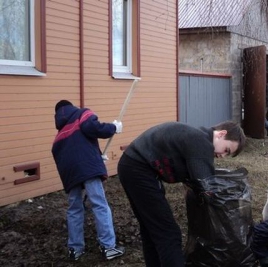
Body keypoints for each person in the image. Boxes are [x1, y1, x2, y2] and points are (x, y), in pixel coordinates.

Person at [117, 121, 246, 267]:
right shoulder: (201, 142)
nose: (222, 156)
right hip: (138, 170)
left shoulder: (197, 136)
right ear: (221, 134)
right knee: (168, 233)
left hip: (131, 166)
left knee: (152, 229)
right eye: (226, 150)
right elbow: (206, 186)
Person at [51, 100, 125, 261]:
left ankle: (75, 249)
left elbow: (73, 152)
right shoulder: (81, 114)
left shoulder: (59, 137)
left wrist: (96, 157)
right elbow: (91, 128)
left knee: (74, 209)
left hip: (71, 175)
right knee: (99, 204)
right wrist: (113, 128)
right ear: (71, 107)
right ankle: (108, 247)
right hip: (88, 170)